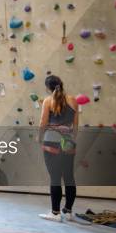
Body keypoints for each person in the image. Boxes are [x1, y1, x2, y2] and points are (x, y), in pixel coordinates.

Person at [38, 75, 79, 222]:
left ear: (48, 88)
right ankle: (68, 212)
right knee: (69, 177)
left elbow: (43, 123)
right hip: (68, 142)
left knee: (55, 178)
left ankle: (55, 213)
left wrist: (39, 137)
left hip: (51, 142)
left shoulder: (48, 101)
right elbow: (75, 126)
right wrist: (71, 140)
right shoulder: (73, 100)